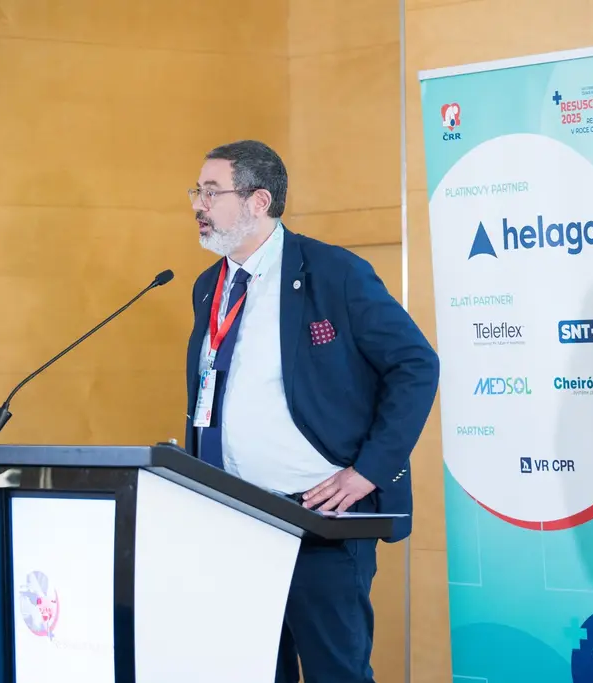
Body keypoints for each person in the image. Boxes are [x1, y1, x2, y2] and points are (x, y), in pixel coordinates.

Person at [182, 139, 439, 683]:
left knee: (335, 673)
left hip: (319, 520)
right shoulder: (210, 286)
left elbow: (416, 365)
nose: (198, 205)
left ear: (258, 201)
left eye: (211, 192)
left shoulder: (333, 272)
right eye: (197, 192)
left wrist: (369, 470)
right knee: (252, 671)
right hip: (234, 519)